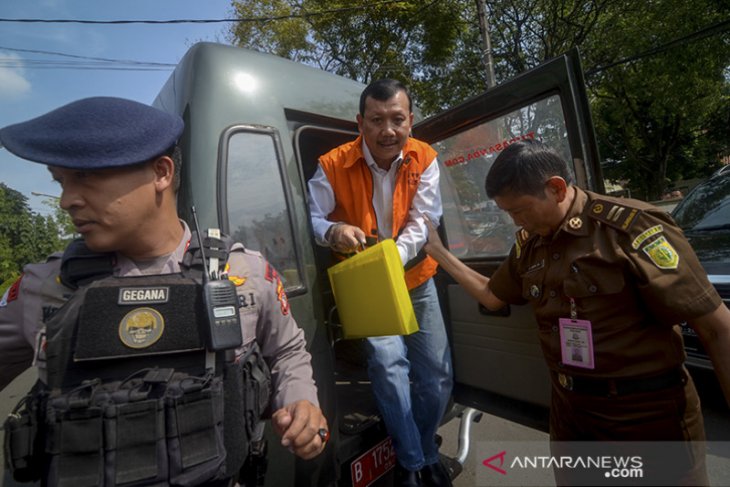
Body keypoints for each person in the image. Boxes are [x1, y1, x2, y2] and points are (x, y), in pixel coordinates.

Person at [0, 97, 328, 486]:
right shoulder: (45, 286)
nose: (67, 199)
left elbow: (287, 351)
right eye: (61, 181)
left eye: (86, 177)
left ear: (161, 172)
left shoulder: (242, 272)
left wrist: (300, 399)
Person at [424, 139, 730, 486]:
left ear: (555, 188)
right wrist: (437, 251)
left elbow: (718, 329)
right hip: (573, 415)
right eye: (508, 212)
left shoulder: (628, 229)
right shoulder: (531, 243)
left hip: (644, 417)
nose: (515, 221)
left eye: (520, 210)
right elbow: (493, 297)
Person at [308, 79, 453, 487]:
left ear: (411, 121)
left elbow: (425, 221)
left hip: (415, 278)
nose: (387, 130)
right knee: (389, 369)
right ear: (360, 122)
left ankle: (425, 451)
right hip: (365, 281)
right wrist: (333, 232)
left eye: (397, 119)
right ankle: (412, 464)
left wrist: (392, 257)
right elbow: (314, 218)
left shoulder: (425, 157)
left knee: (436, 375)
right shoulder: (331, 164)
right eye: (376, 120)